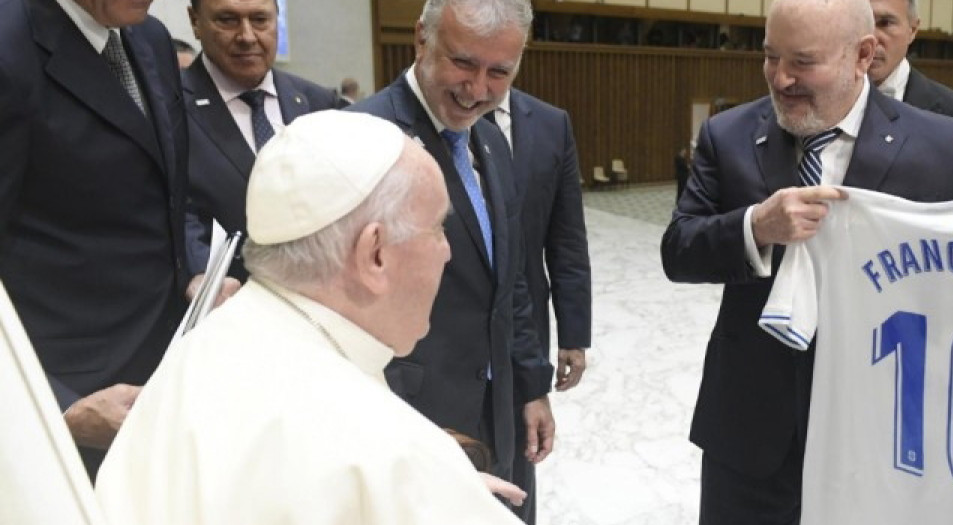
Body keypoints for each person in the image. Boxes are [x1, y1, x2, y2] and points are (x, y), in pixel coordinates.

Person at [660, 0, 953, 521]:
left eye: (803, 62)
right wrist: (755, 227)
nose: (781, 79)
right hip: (751, 431)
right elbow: (679, 249)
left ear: (863, 55)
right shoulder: (730, 133)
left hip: (885, 442)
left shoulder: (944, 146)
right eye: (769, 57)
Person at [94, 110, 525, 524]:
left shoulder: (204, 343)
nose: (447, 251)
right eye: (437, 229)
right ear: (374, 253)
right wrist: (430, 489)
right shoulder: (391, 459)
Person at [348, 0, 555, 494]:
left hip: (499, 412)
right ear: (422, 37)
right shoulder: (363, 137)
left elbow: (512, 281)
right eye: (463, 63)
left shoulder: (490, 140)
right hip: (409, 419)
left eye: (499, 72)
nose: (478, 89)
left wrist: (530, 388)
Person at [0, 0, 190, 479]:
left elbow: (162, 192)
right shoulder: (8, 43)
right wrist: (58, 407)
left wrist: (194, 272)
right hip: (65, 398)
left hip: (162, 373)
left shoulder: (150, 38)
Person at [489, 86, 592, 524]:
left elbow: (566, 237)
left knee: (517, 466)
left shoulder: (551, 123)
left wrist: (573, 334)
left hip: (524, 330)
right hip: (442, 336)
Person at [182, 0, 340, 284]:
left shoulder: (317, 102)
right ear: (195, 21)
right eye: (228, 20)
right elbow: (172, 211)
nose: (247, 36)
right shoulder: (168, 106)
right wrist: (201, 276)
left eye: (259, 20)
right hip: (222, 301)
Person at [867, 0, 953, 171]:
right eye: (862, 23)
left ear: (912, 29)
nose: (871, 38)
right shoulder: (822, 105)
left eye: (885, 23)